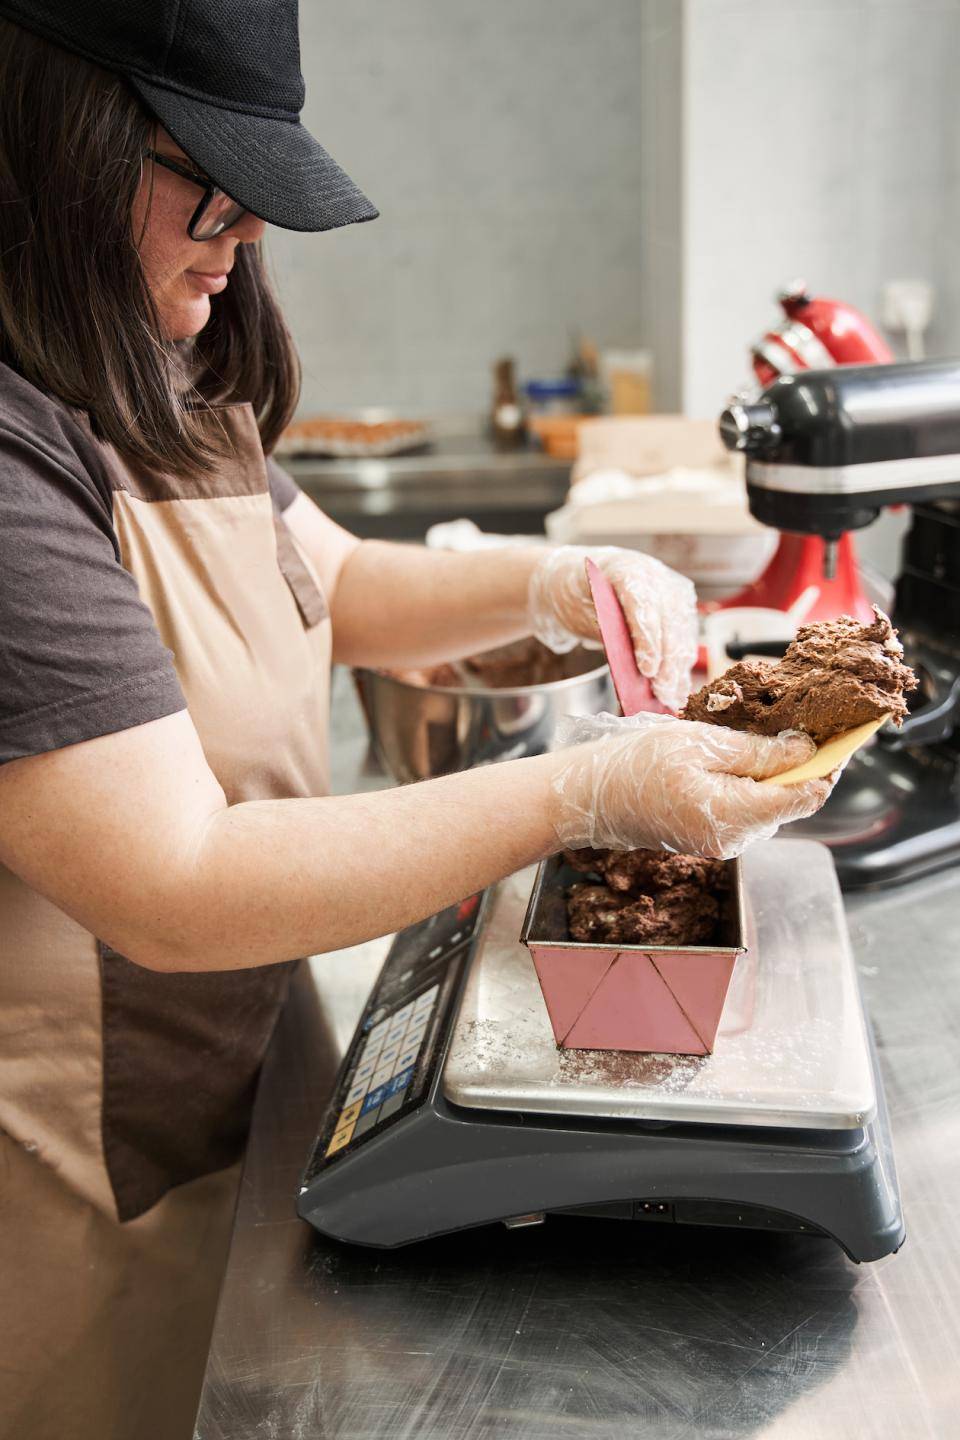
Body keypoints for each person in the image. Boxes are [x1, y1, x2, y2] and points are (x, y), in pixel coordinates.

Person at [0, 3, 832, 1437]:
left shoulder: (155, 364)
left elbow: (333, 580)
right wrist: (585, 795)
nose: (244, 231)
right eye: (208, 179)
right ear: (54, 138)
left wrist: (561, 581)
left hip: (243, 1084)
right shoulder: (12, 456)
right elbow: (178, 886)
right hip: (78, 1170)